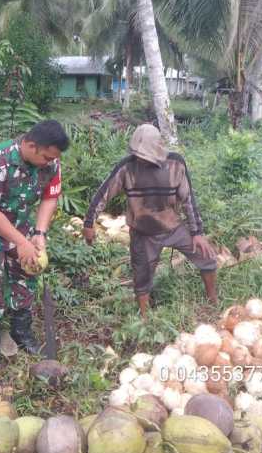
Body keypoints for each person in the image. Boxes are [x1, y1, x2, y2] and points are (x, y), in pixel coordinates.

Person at [0, 120, 69, 371]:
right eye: (45, 157)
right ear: (31, 146)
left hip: (19, 224)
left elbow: (50, 197)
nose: (49, 162)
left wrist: (39, 233)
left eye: (53, 158)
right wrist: (21, 241)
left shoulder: (51, 162)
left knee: (27, 270)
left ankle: (21, 330)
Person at [82, 124, 217, 317]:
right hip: (143, 232)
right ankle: (145, 318)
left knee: (207, 258)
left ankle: (213, 303)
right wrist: (88, 223)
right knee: (142, 278)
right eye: (137, 154)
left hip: (173, 227)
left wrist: (197, 233)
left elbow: (188, 199)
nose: (140, 159)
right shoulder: (127, 167)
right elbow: (103, 193)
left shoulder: (175, 163)